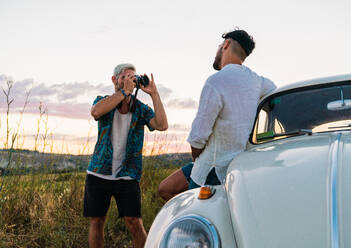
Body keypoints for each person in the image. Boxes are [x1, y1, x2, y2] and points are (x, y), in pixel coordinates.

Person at [158, 29, 276, 201]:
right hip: (225, 163)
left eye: (220, 45)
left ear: (226, 44)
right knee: (165, 188)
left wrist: (198, 157)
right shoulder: (258, 82)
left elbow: (198, 138)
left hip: (212, 170)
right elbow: (274, 92)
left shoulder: (215, 82)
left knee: (192, 210)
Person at [84, 63, 168, 248]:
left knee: (134, 222)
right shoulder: (102, 100)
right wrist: (123, 93)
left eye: (133, 77)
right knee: (97, 222)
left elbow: (162, 125)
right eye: (124, 77)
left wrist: (154, 93)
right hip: (99, 172)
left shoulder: (140, 109)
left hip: (128, 174)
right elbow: (96, 112)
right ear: (114, 80)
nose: (129, 81)